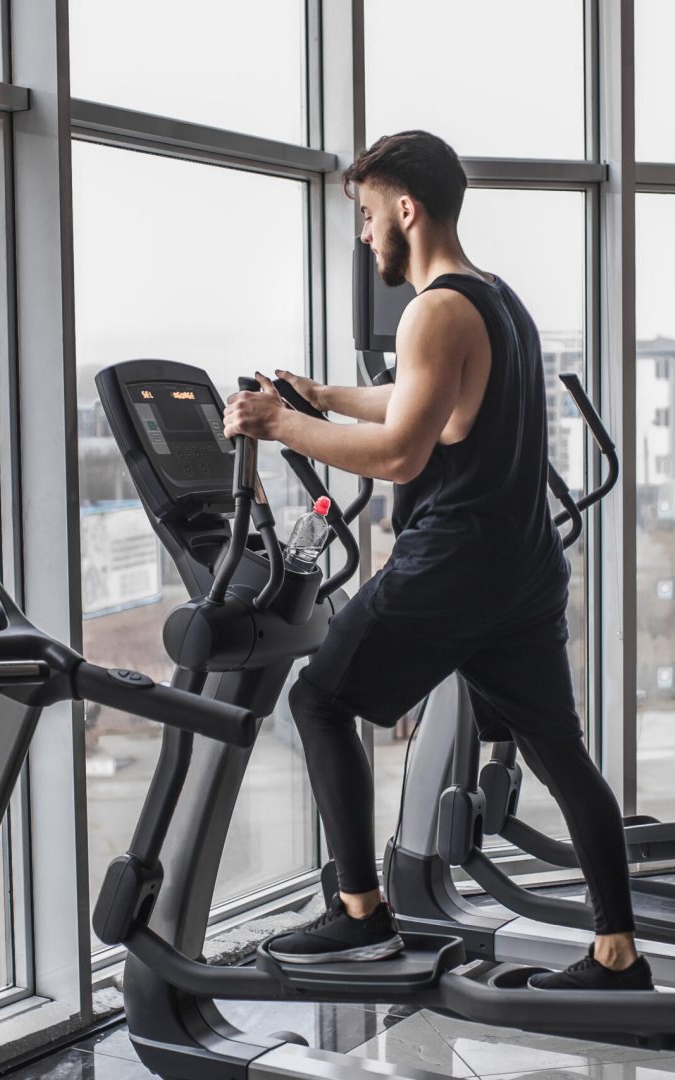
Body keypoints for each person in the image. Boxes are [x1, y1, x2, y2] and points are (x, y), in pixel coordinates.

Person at [222, 130, 652, 991]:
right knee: (560, 755)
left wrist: (275, 425)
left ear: (406, 210)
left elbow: (398, 457)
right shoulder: (495, 299)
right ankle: (617, 954)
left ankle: (358, 915)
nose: (365, 234)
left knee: (318, 699)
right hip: (521, 571)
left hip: (452, 563)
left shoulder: (432, 308)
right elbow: (427, 398)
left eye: (369, 215)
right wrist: (322, 397)